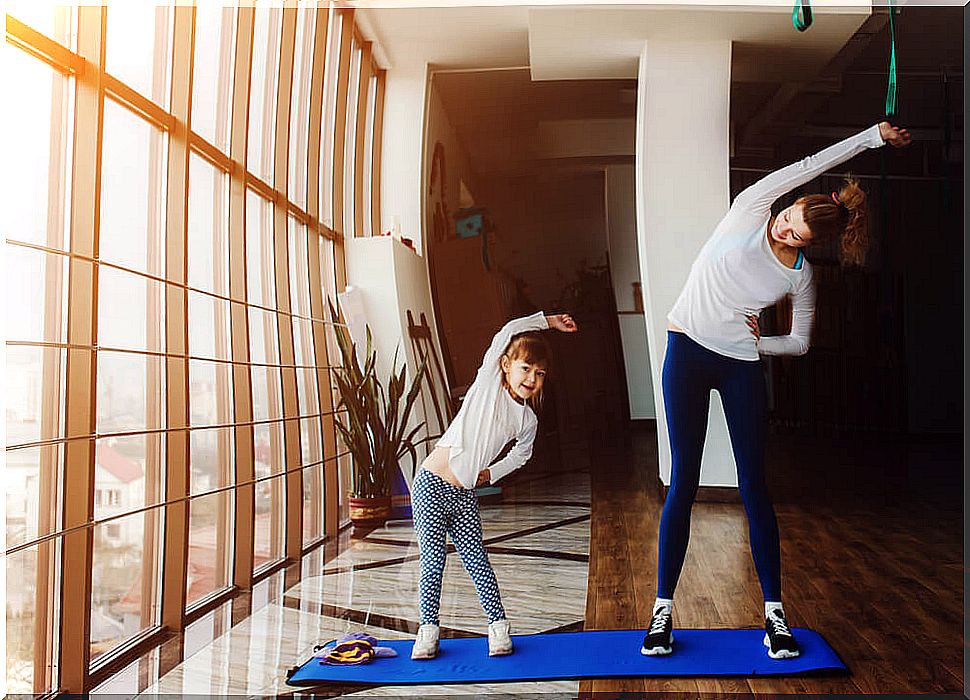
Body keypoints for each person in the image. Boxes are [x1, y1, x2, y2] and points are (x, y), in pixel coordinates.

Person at [641, 121, 911, 660]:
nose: (784, 231)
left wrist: (760, 345)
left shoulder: (800, 277)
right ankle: (662, 611)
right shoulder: (751, 207)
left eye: (797, 235)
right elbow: (813, 161)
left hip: (740, 365)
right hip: (687, 351)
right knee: (683, 482)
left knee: (754, 487)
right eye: (787, 219)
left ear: (813, 246)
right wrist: (872, 138)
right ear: (785, 206)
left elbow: (801, 343)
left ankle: (775, 615)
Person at [410, 311, 579, 660]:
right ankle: (428, 631)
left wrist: (491, 473)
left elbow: (522, 455)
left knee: (477, 560)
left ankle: (498, 627)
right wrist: (548, 322)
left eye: (540, 373)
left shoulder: (527, 418)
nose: (532, 378)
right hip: (430, 484)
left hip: (465, 493)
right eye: (525, 368)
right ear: (505, 364)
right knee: (432, 560)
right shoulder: (486, 385)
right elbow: (510, 329)